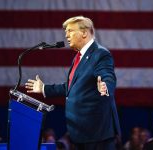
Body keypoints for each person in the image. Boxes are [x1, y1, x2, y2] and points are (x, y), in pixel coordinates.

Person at [25, 16, 121, 150]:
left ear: (84, 32)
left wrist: (105, 87)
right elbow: (72, 87)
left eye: (70, 31)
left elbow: (107, 76)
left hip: (97, 133)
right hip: (80, 132)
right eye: (66, 31)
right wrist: (44, 88)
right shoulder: (78, 57)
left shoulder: (100, 54)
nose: (66, 35)